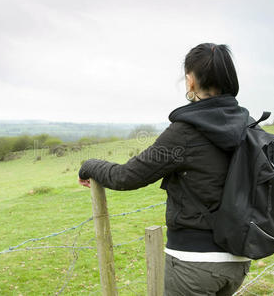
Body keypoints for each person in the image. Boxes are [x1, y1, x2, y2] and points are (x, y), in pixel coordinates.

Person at [77, 42, 251, 295]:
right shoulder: (248, 125)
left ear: (190, 81)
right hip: (238, 261)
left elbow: (127, 176)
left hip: (193, 263)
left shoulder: (185, 132)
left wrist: (89, 165)